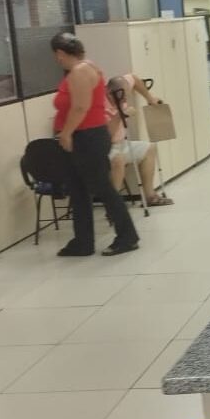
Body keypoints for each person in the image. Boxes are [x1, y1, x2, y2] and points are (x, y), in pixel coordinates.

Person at [51, 33, 140, 257]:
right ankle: (83, 241)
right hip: (84, 136)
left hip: (86, 137)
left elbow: (81, 107)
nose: (56, 60)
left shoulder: (80, 71)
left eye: (56, 55)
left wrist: (66, 133)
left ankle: (127, 237)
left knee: (102, 187)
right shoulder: (86, 67)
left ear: (60, 53)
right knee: (78, 189)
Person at [105, 74, 173, 206]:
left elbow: (134, 78)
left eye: (126, 96)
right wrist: (120, 116)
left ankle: (150, 196)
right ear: (109, 93)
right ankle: (113, 205)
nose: (125, 100)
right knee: (118, 159)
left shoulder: (121, 87)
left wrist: (150, 98)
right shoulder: (100, 104)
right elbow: (106, 135)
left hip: (122, 143)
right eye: (122, 97)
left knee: (149, 148)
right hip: (107, 147)